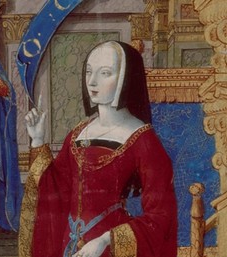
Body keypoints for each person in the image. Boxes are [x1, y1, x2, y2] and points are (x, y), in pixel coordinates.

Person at [20, 41, 177, 257]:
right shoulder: (78, 133)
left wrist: (105, 240)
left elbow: (160, 215)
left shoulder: (143, 139)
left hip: (108, 249)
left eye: (105, 73)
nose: (92, 81)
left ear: (126, 77)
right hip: (67, 245)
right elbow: (54, 191)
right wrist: (37, 140)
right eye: (89, 71)